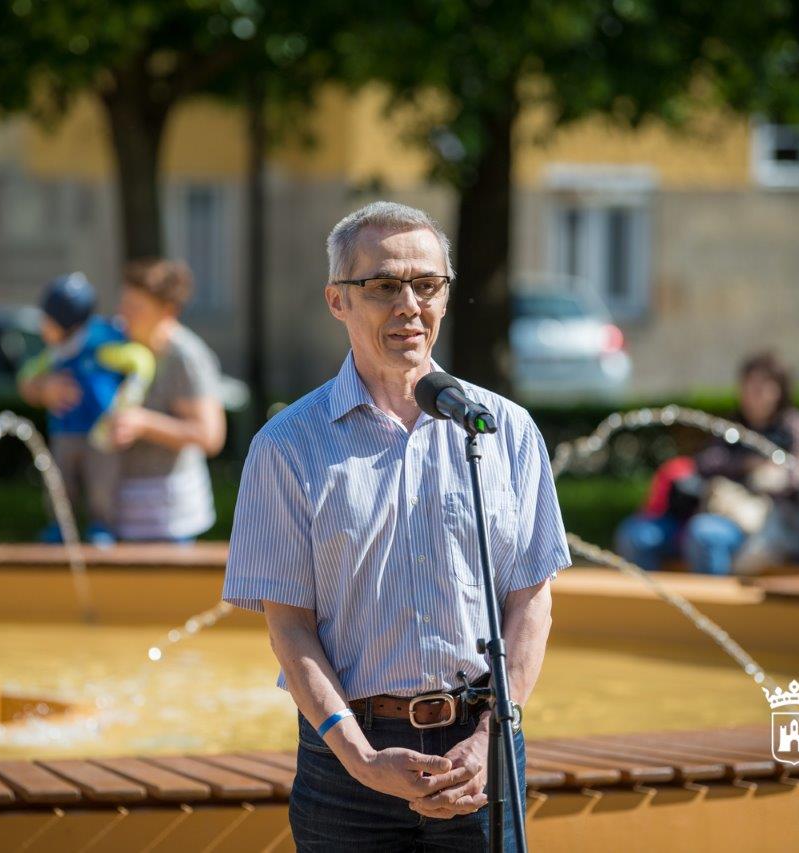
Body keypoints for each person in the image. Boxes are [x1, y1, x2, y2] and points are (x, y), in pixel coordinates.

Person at [222, 202, 570, 851]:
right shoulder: (286, 446)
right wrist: (359, 757)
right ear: (338, 300)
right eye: (384, 285)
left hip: (482, 749)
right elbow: (289, 626)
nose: (409, 305)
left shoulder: (504, 431)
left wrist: (490, 736)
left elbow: (531, 600)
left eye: (427, 284)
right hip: (347, 763)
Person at [616, 352, 799, 575]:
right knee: (635, 534)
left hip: (760, 524)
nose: (754, 393)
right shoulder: (731, 425)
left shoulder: (795, 428)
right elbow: (705, 462)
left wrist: (773, 476)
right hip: (707, 507)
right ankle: (650, 596)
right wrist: (748, 464)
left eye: (762, 386)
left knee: (704, 534)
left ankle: (708, 599)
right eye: (748, 385)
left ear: (780, 390)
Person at [17, 272, 154, 545]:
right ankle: (59, 525)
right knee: (59, 481)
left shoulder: (100, 345)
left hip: (100, 431)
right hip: (65, 429)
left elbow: (140, 361)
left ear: (69, 324)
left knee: (102, 482)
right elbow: (27, 376)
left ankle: (101, 524)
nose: (42, 327)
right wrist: (42, 387)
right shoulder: (57, 352)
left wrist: (129, 398)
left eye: (48, 321)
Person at [107, 258, 226, 543]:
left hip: (170, 516)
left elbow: (210, 436)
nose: (123, 314)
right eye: (124, 303)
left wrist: (144, 424)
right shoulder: (117, 344)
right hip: (120, 510)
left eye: (136, 308)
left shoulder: (186, 358)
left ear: (168, 311)